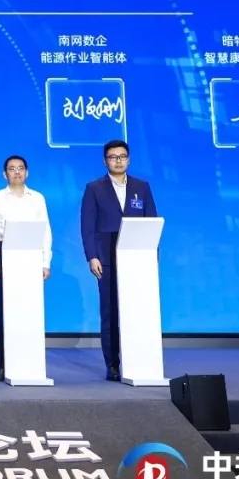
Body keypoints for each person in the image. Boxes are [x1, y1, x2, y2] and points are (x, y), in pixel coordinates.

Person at [80, 139, 159, 382]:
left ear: (129, 160)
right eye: (113, 157)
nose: (118, 161)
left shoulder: (141, 187)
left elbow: (151, 223)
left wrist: (152, 257)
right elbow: (87, 227)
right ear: (105, 161)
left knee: (138, 311)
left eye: (122, 156)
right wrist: (92, 256)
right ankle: (112, 364)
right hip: (106, 260)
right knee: (110, 313)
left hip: (137, 261)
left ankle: (141, 360)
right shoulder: (94, 188)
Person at [0, 155, 52, 382]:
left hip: (30, 254)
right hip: (4, 253)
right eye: (12, 169)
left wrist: (45, 262)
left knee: (29, 309)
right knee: (3, 311)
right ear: (5, 174)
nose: (17, 172)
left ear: (27, 172)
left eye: (21, 168)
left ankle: (29, 362)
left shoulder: (37, 198)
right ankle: (2, 365)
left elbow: (46, 231)